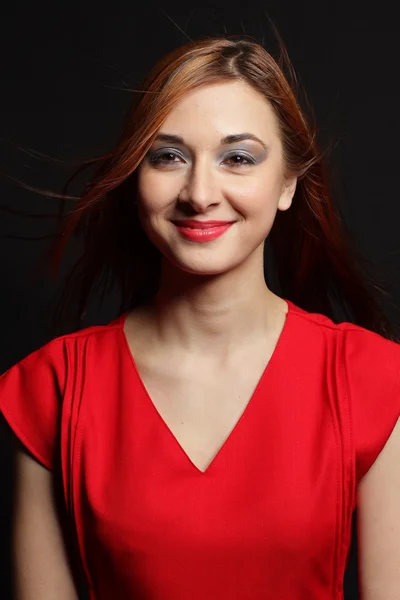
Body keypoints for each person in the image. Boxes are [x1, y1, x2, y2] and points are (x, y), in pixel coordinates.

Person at [0, 35, 399, 600]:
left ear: (287, 182)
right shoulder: (51, 388)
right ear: (136, 177)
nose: (200, 193)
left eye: (238, 158)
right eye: (168, 156)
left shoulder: (375, 381)